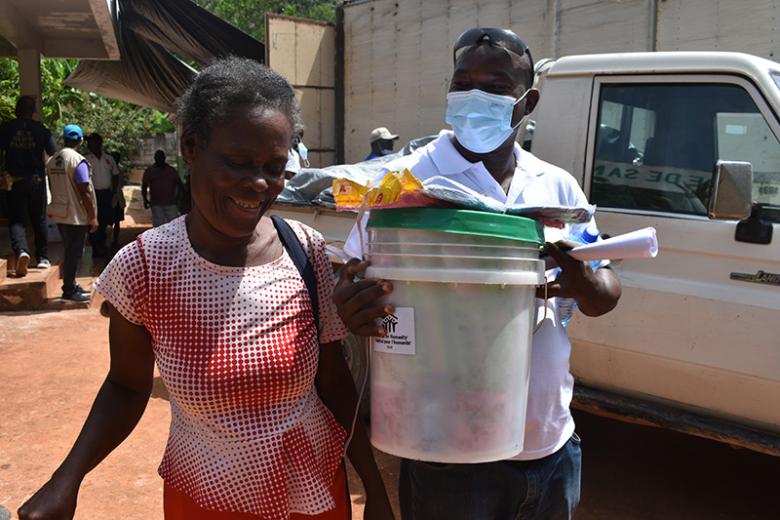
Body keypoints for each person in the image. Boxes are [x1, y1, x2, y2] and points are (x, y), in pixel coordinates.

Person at [18, 57, 393, 520]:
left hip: (312, 492)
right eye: (238, 163)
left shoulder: (306, 249)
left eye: (275, 167)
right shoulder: (146, 266)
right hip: (207, 498)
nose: (259, 183)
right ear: (191, 147)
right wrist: (66, 480)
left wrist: (375, 491)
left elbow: (333, 381)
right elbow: (126, 384)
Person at [335, 28, 622, 520]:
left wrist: (588, 284)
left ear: (526, 101)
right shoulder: (404, 181)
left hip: (548, 442)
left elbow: (605, 286)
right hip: (447, 449)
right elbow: (357, 281)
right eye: (463, 82)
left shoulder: (556, 186)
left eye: (494, 86)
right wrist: (356, 308)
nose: (474, 97)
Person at [0, 95, 58, 276]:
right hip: (36, 180)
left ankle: (22, 251)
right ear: (33, 111)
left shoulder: (6, 128)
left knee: (17, 219)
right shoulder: (41, 129)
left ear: (17, 110)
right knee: (38, 218)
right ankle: (42, 258)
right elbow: (53, 152)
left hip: (14, 180)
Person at [44, 124, 97, 303]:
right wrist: (93, 217)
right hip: (75, 215)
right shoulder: (77, 160)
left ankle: (71, 284)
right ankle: (68, 290)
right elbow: (85, 190)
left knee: (70, 250)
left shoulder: (53, 159)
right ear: (80, 140)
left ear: (64, 139)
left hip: (59, 212)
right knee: (74, 252)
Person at [83, 133, 120, 257]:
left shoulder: (109, 159)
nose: (90, 145)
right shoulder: (86, 159)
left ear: (99, 143)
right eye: (89, 143)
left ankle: (103, 244)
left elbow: (115, 174)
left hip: (106, 194)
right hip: (93, 195)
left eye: (92, 142)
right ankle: (95, 246)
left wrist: (114, 192)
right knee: (93, 220)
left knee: (106, 220)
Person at [141, 149, 183, 227]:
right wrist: (145, 199)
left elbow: (179, 185)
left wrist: (178, 198)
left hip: (170, 203)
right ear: (155, 158)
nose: (159, 159)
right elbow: (144, 186)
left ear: (164, 158)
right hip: (157, 203)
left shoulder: (171, 170)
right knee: (159, 227)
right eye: (158, 157)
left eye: (160, 157)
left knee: (173, 226)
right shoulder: (150, 171)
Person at [108, 151, 126, 251]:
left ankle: (114, 240)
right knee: (110, 221)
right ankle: (110, 240)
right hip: (111, 197)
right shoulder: (109, 169)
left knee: (117, 221)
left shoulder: (119, 169)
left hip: (117, 198)